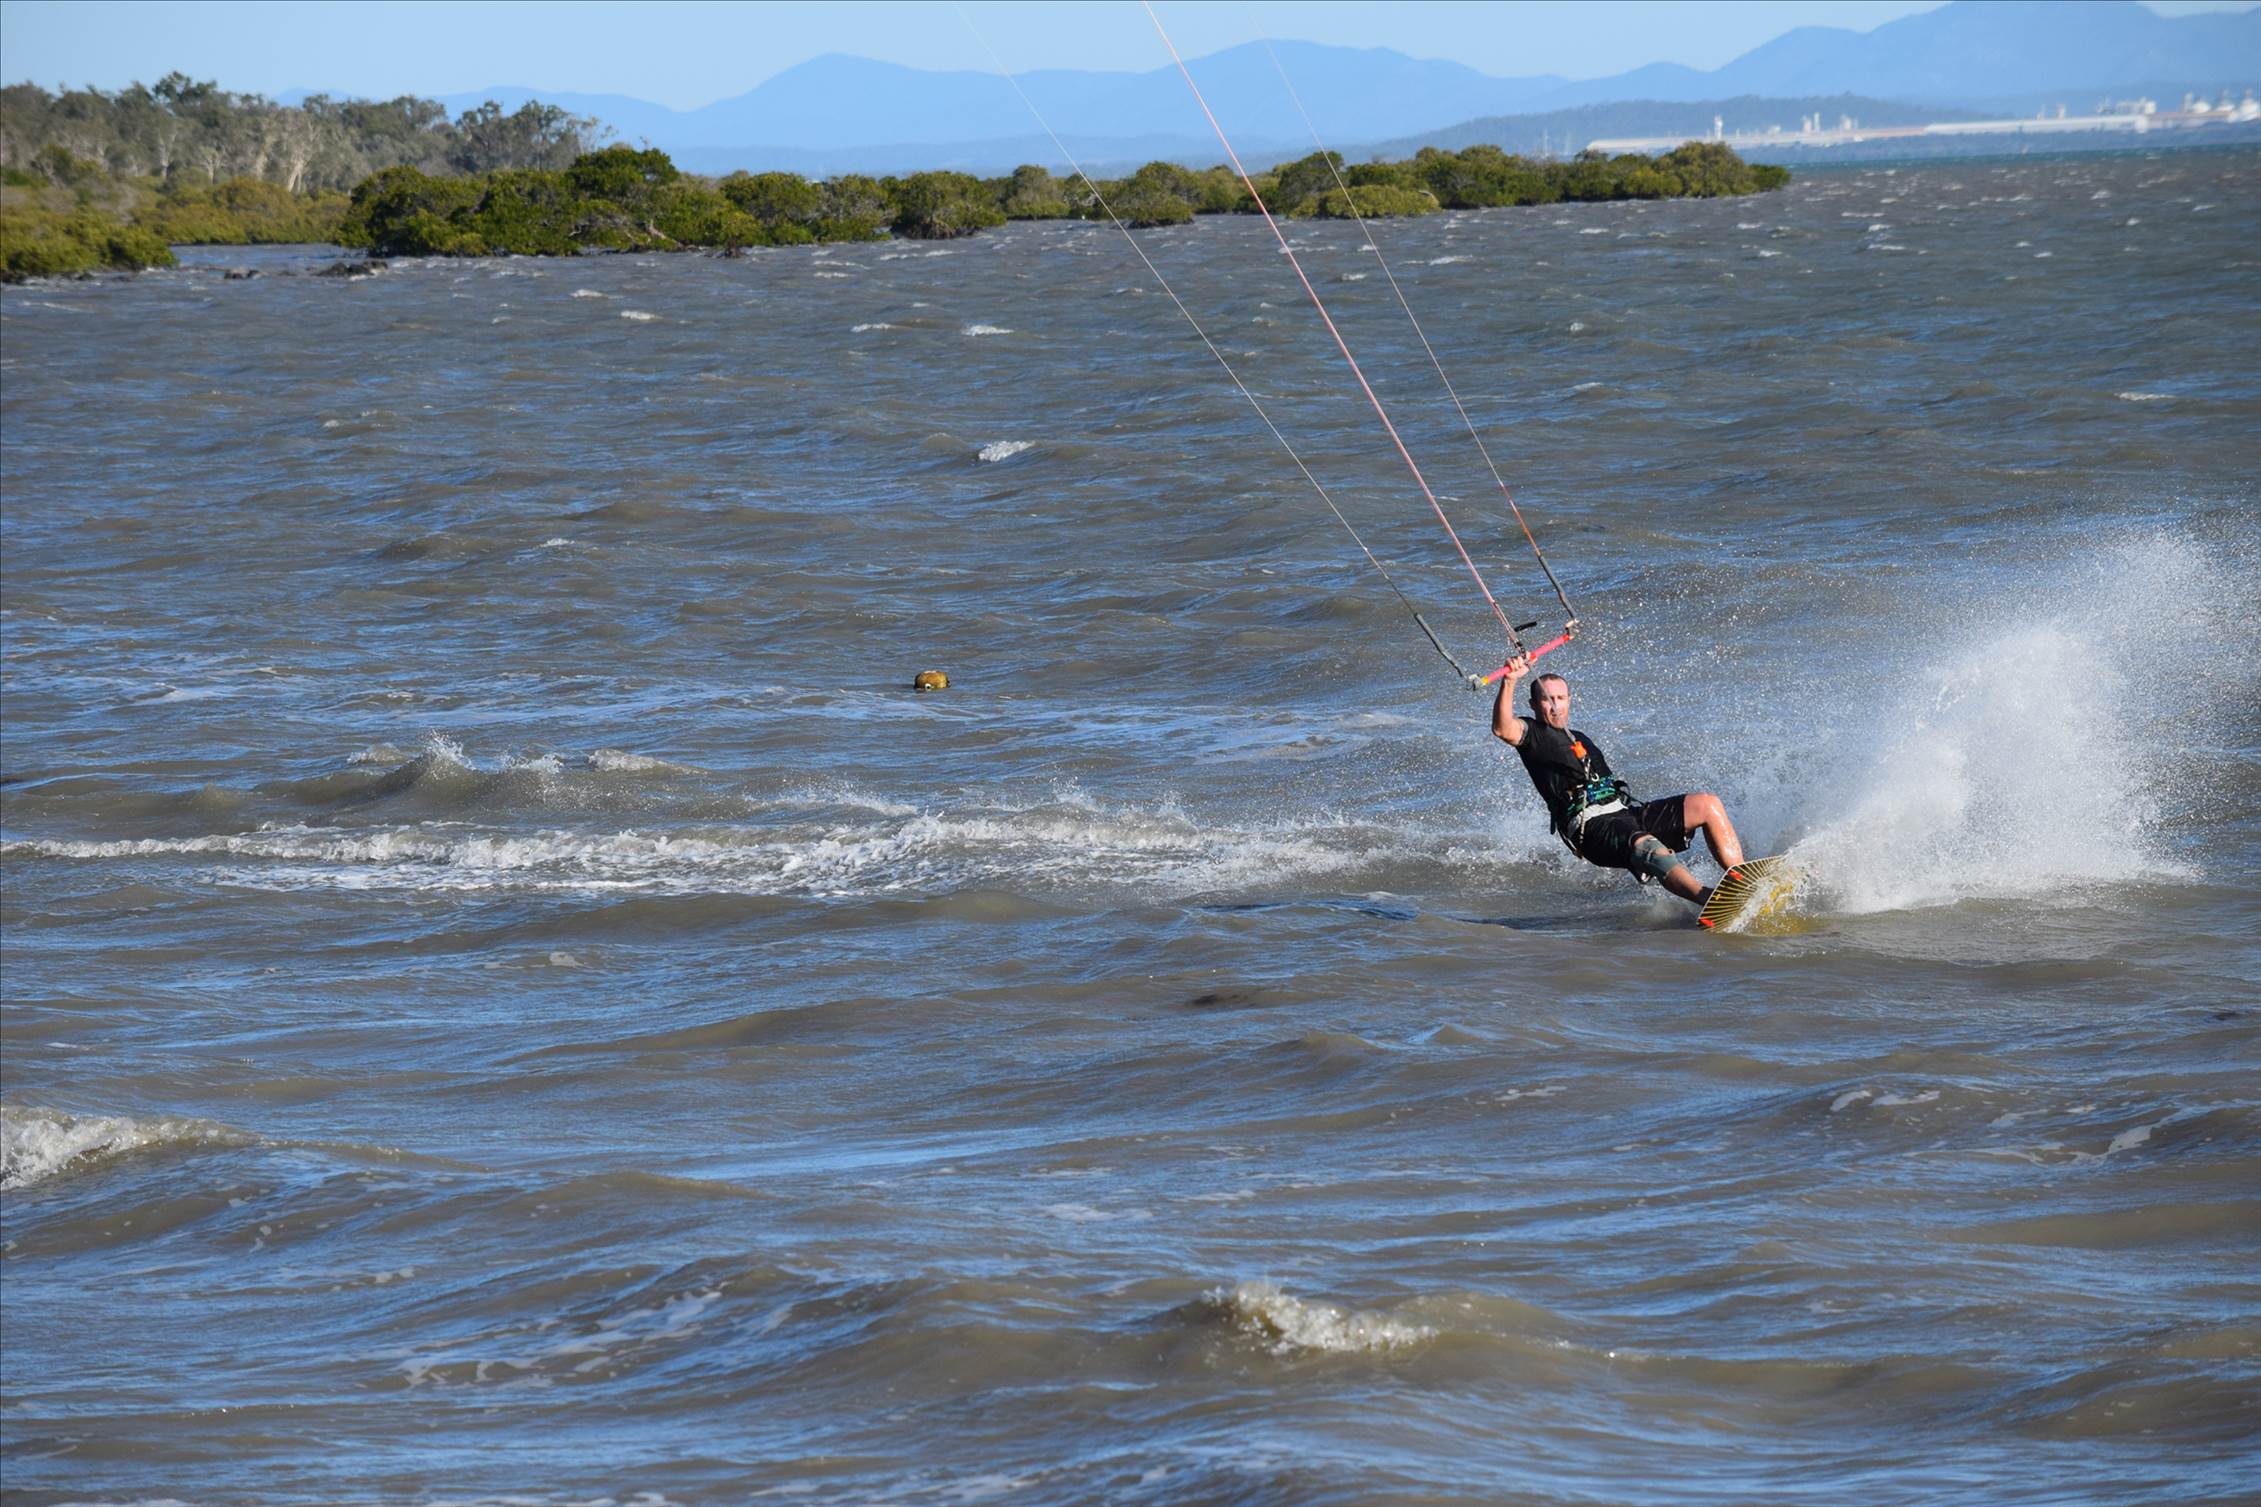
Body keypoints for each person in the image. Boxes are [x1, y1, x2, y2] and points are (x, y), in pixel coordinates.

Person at [1491, 657, 1747, 908]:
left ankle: (1742, 881)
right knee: (1648, 846)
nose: (1555, 705)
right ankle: (1710, 899)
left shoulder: (1579, 737)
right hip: (1591, 829)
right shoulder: (1534, 735)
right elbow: (1503, 729)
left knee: (1706, 804)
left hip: (1623, 814)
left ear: (1569, 700)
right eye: (1547, 699)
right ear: (1534, 705)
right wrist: (1509, 681)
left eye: (1560, 698)